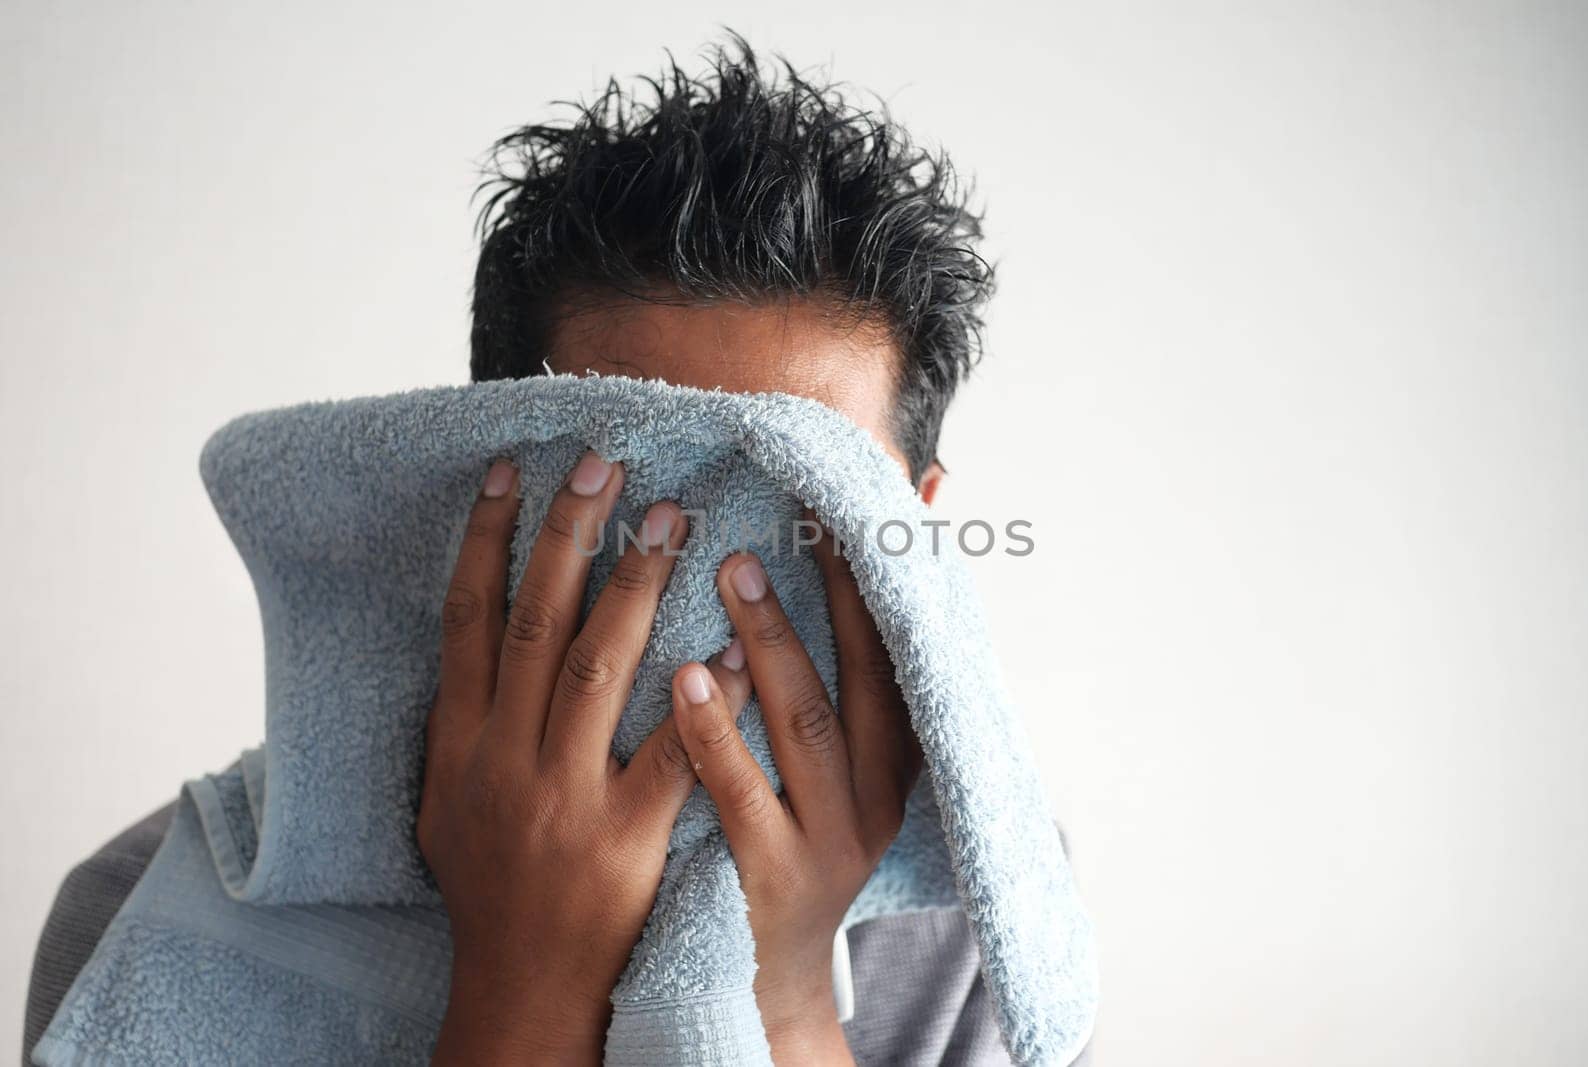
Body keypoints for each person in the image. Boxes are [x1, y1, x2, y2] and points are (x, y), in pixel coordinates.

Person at [26, 38, 1089, 1066]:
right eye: (653, 500)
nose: (711, 600)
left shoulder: (991, 923)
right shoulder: (154, 912)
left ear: (912, 543)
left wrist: (789, 995)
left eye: (806, 503)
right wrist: (521, 988)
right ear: (492, 484)